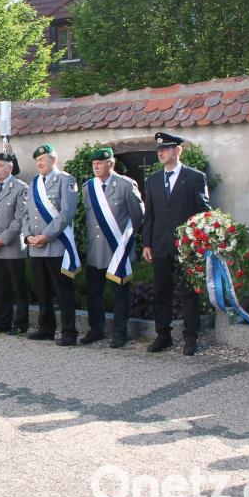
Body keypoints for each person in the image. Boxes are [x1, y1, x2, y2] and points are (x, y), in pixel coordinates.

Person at [143, 132, 210, 356]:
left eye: (165, 148)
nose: (160, 153)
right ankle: (163, 334)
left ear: (177, 150)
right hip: (160, 245)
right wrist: (147, 243)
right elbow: (150, 215)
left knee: (189, 293)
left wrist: (199, 241)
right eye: (158, 149)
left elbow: (204, 212)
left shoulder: (195, 177)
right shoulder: (153, 180)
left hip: (186, 247)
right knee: (161, 291)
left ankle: (191, 337)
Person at [80, 147, 145, 348]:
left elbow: (138, 215)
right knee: (94, 293)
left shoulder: (125, 185)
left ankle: (119, 333)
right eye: (94, 164)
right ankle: (96, 329)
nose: (96, 167)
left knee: (120, 294)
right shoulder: (88, 187)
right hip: (96, 249)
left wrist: (126, 238)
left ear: (111, 164)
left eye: (99, 163)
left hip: (119, 248)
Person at [25, 144, 80, 346]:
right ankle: (46, 328)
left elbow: (67, 213)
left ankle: (69, 331)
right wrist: (28, 236)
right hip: (36, 246)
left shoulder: (66, 180)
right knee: (42, 290)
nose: (39, 163)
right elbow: (26, 213)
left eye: (42, 159)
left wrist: (46, 235)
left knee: (62, 290)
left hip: (57, 245)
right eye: (37, 160)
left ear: (53, 159)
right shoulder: (34, 183)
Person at [0, 152, 30, 334]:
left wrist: (2, 239)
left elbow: (20, 219)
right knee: (0, 286)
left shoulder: (20, 188)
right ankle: (4, 322)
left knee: (17, 287)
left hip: (11, 246)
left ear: (10, 167)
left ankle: (21, 324)